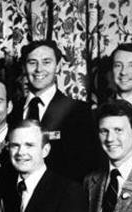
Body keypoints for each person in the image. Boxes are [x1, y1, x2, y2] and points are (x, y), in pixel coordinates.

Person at [10, 40, 101, 182]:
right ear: (23, 67)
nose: (39, 69)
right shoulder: (10, 110)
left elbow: (89, 165)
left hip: (60, 198)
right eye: (32, 62)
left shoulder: (78, 111)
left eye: (46, 62)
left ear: (58, 66)